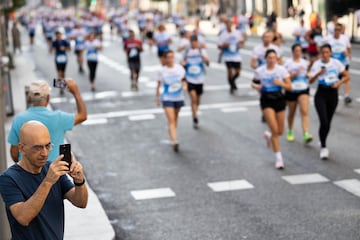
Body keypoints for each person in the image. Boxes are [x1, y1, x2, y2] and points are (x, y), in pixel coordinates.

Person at [0, 121, 88, 240]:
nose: (45, 153)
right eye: (37, 148)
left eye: (47, 146)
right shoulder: (8, 178)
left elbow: (81, 202)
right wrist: (48, 182)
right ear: (22, 148)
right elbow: (23, 217)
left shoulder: (52, 169)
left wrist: (79, 181)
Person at [8, 80, 87, 163]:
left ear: (30, 98)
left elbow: (14, 152)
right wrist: (76, 92)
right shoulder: (59, 118)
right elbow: (82, 116)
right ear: (48, 98)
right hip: (55, 170)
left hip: (28, 173)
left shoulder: (18, 119)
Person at [251, 49, 292, 169]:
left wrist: (281, 84)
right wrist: (257, 86)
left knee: (280, 131)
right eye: (269, 58)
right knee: (275, 130)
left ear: (277, 59)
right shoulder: (260, 71)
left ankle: (269, 136)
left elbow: (289, 86)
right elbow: (252, 83)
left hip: (279, 99)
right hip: (266, 100)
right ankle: (279, 158)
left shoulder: (281, 70)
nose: (272, 60)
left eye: (274, 58)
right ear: (266, 59)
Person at [309, 44, 349, 160]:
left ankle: (322, 140)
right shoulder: (317, 64)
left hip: (333, 93)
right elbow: (310, 80)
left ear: (330, 53)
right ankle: (324, 147)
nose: (325, 54)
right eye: (323, 52)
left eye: (327, 52)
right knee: (324, 121)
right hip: (321, 94)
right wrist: (318, 73)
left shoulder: (336, 63)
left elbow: (346, 76)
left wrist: (338, 83)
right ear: (320, 53)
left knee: (328, 122)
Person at [155, 50, 186, 152]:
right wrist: (157, 97)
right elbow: (158, 84)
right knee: (171, 119)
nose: (170, 59)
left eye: (172, 57)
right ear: (165, 59)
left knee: (175, 119)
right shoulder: (162, 71)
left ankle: (172, 133)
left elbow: (184, 80)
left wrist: (185, 87)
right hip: (167, 97)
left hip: (178, 97)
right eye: (168, 57)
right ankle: (174, 141)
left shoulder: (179, 68)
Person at [283, 44, 312, 143]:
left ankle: (306, 133)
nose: (298, 53)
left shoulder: (305, 63)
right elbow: (285, 79)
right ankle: (290, 130)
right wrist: (294, 74)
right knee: (291, 113)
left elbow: (307, 74)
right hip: (291, 89)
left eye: (299, 51)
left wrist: (308, 76)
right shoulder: (287, 63)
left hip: (303, 89)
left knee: (304, 111)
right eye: (296, 51)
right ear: (292, 52)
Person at [181, 35, 209, 129]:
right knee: (193, 98)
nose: (193, 43)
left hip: (200, 79)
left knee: (198, 100)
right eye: (192, 42)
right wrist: (183, 64)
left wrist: (206, 60)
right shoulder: (186, 51)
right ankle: (195, 117)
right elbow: (181, 63)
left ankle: (195, 112)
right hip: (190, 79)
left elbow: (208, 63)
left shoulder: (201, 51)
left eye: (195, 42)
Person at [321, 23, 352, 105]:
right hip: (334, 65)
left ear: (341, 30)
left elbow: (349, 48)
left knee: (346, 77)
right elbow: (321, 46)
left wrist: (348, 54)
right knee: (335, 82)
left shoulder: (345, 39)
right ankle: (334, 98)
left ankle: (346, 95)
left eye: (339, 30)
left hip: (344, 62)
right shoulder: (328, 39)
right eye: (336, 30)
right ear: (333, 30)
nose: (337, 31)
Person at [218, 19, 244, 94]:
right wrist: (224, 45)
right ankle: (232, 86)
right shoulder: (223, 34)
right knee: (229, 71)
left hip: (236, 56)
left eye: (230, 24)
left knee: (238, 72)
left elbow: (241, 41)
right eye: (227, 24)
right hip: (228, 56)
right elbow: (219, 46)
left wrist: (240, 45)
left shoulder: (236, 33)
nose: (229, 26)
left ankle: (232, 81)